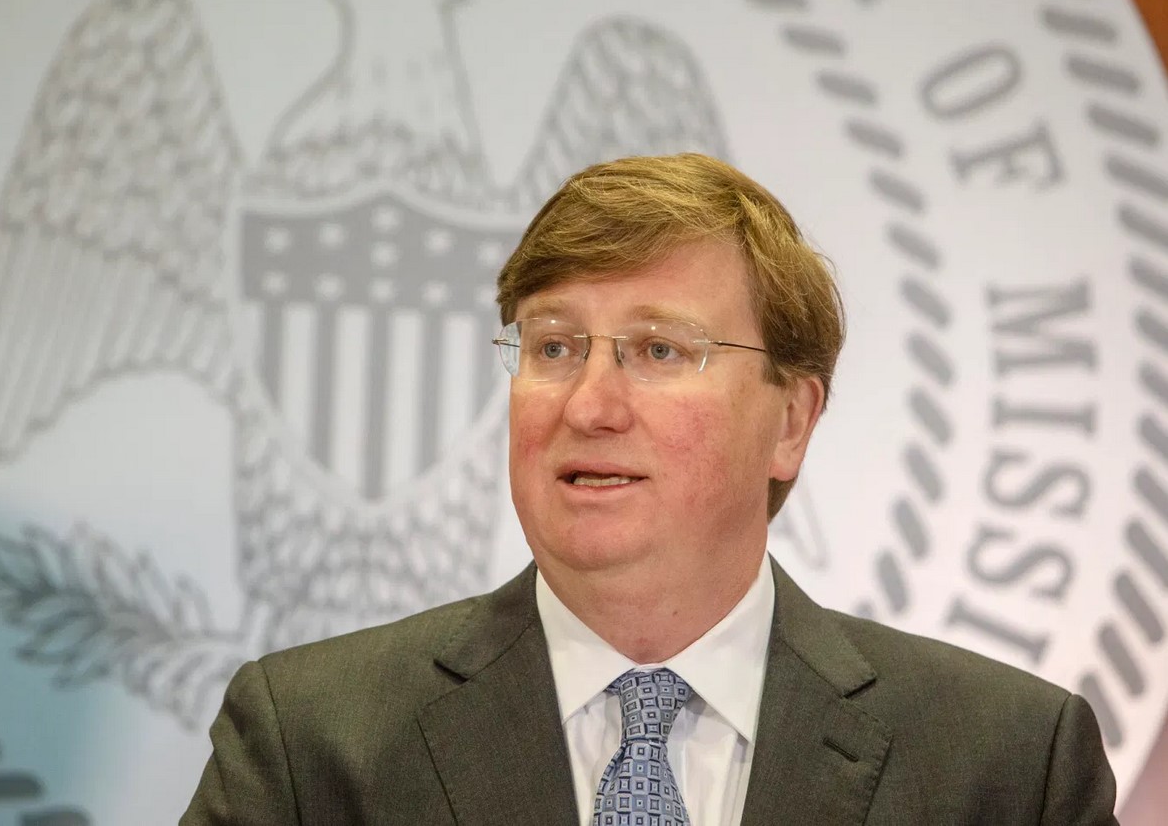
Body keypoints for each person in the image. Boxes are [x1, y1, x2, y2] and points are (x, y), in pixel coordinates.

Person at [181, 153, 1117, 825]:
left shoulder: (1005, 767)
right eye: (554, 346)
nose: (588, 404)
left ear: (790, 420)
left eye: (659, 350)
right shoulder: (310, 746)